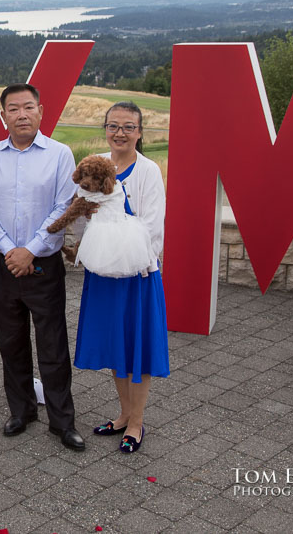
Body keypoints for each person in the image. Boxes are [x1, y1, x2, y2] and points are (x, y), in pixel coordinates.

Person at [0, 83, 85, 451]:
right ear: (4, 114)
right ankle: (21, 411)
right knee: (11, 342)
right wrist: (10, 251)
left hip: (44, 265)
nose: (21, 114)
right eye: (13, 108)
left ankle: (62, 421)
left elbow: (63, 208)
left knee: (52, 344)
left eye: (28, 107)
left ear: (41, 110)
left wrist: (30, 251)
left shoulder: (59, 154)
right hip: (4, 262)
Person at [73, 101, 169, 453]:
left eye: (129, 127)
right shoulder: (96, 165)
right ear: (106, 129)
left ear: (139, 132)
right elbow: (84, 212)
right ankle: (124, 414)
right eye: (114, 126)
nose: (120, 133)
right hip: (104, 272)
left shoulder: (147, 172)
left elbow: (152, 225)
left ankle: (138, 422)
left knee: (137, 345)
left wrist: (137, 259)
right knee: (116, 342)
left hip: (137, 272)